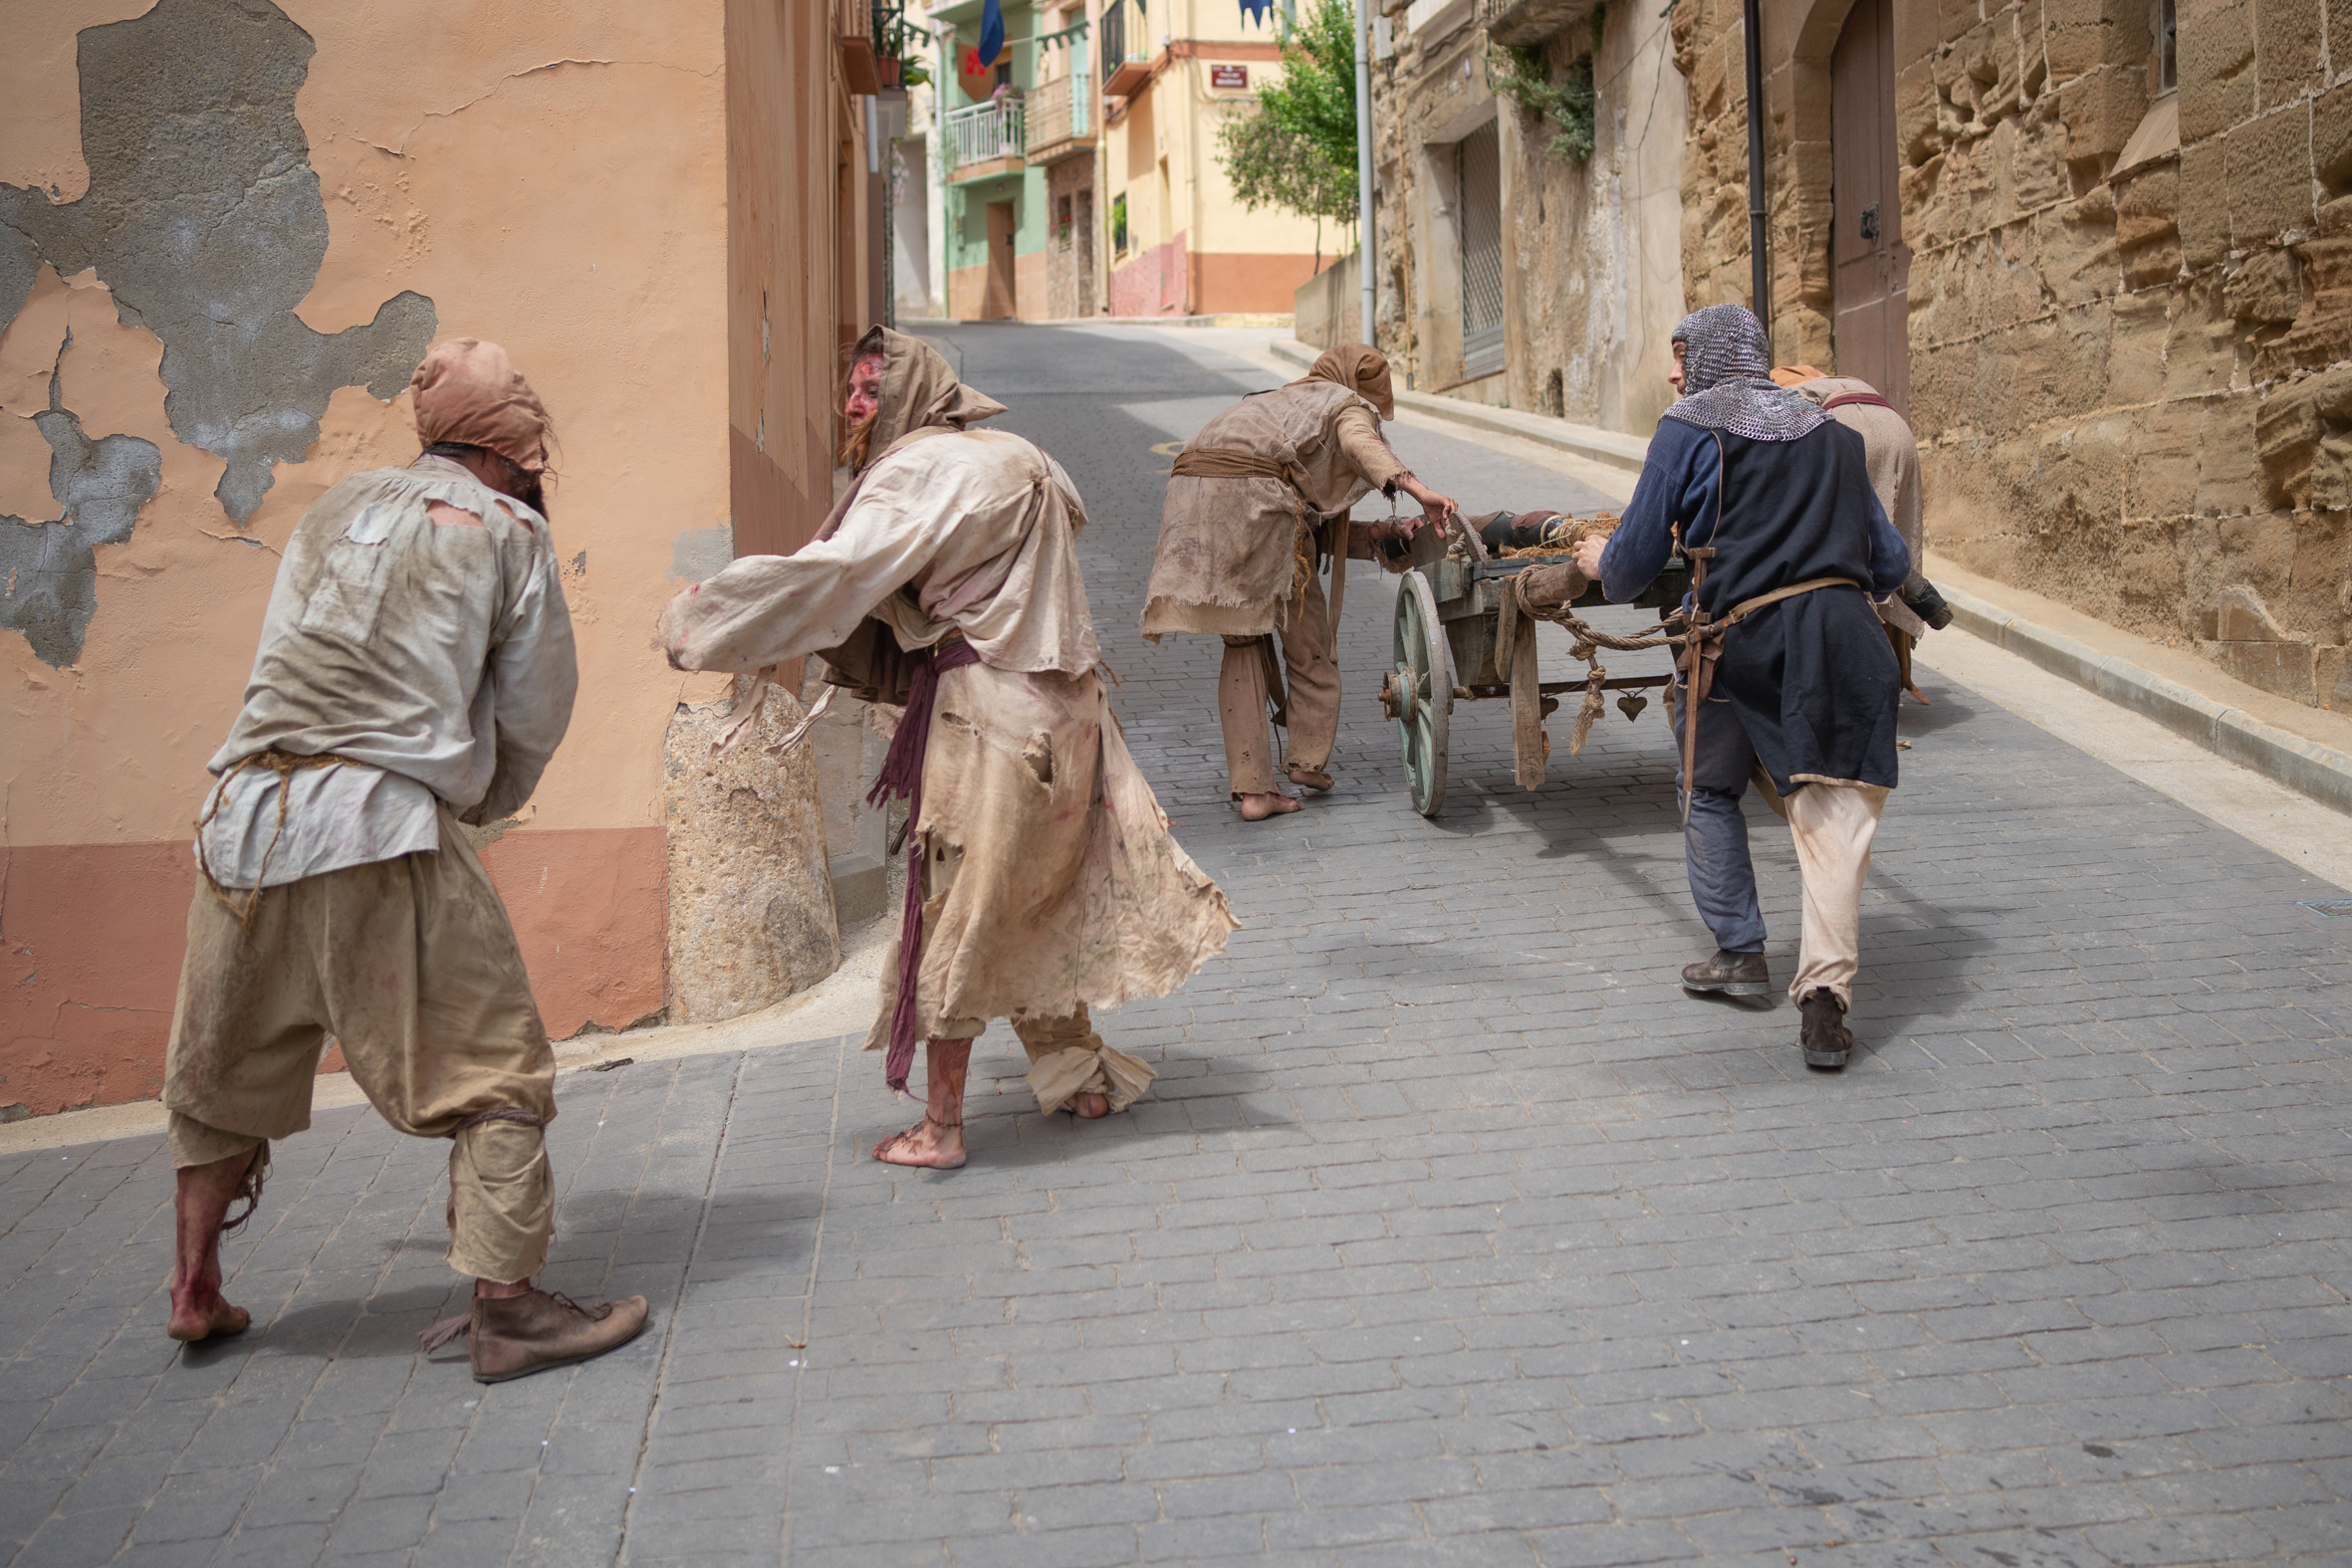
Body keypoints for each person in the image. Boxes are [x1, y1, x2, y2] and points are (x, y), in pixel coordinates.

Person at [163, 337, 649, 1381]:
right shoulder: (510, 529)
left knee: (216, 1072)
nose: (534, 477)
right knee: (496, 1070)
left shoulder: (333, 506)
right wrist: (476, 805)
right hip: (380, 825)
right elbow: (534, 708)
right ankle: (511, 1315)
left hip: (241, 818)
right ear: (508, 454)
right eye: (532, 461)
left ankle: (193, 1287)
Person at [656, 327, 1236, 1169]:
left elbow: (832, 575)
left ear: (909, 394)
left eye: (869, 390)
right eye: (849, 389)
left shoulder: (917, 470)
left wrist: (709, 619)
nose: (852, 406)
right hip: (1069, 710)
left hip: (990, 716)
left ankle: (942, 1128)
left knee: (955, 909)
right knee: (1035, 896)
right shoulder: (1024, 455)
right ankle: (1080, 1076)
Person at [1573, 306, 1911, 1070]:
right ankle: (1820, 989)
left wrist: (1598, 560)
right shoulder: (1836, 436)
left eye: (1680, 353)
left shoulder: (1686, 429)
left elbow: (1629, 567)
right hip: (1848, 643)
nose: (1672, 372)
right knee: (1833, 817)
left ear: (1714, 357)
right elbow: (1888, 565)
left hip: (1741, 644)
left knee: (1710, 784)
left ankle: (1743, 951)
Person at [1141, 345, 1459, 819]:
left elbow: (1310, 524)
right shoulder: (1343, 402)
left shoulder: (1281, 403)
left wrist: (1380, 532)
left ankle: (1253, 792)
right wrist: (1418, 490)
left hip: (1194, 497)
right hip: (1256, 500)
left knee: (1243, 640)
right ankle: (1306, 760)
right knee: (1310, 641)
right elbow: (1359, 444)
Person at [1770, 364, 1932, 701]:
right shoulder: (1830, 379)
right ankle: (1894, 663)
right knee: (1896, 537)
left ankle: (1860, 667)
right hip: (1897, 429)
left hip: (1846, 427)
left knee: (1851, 546)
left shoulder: (1771, 389)